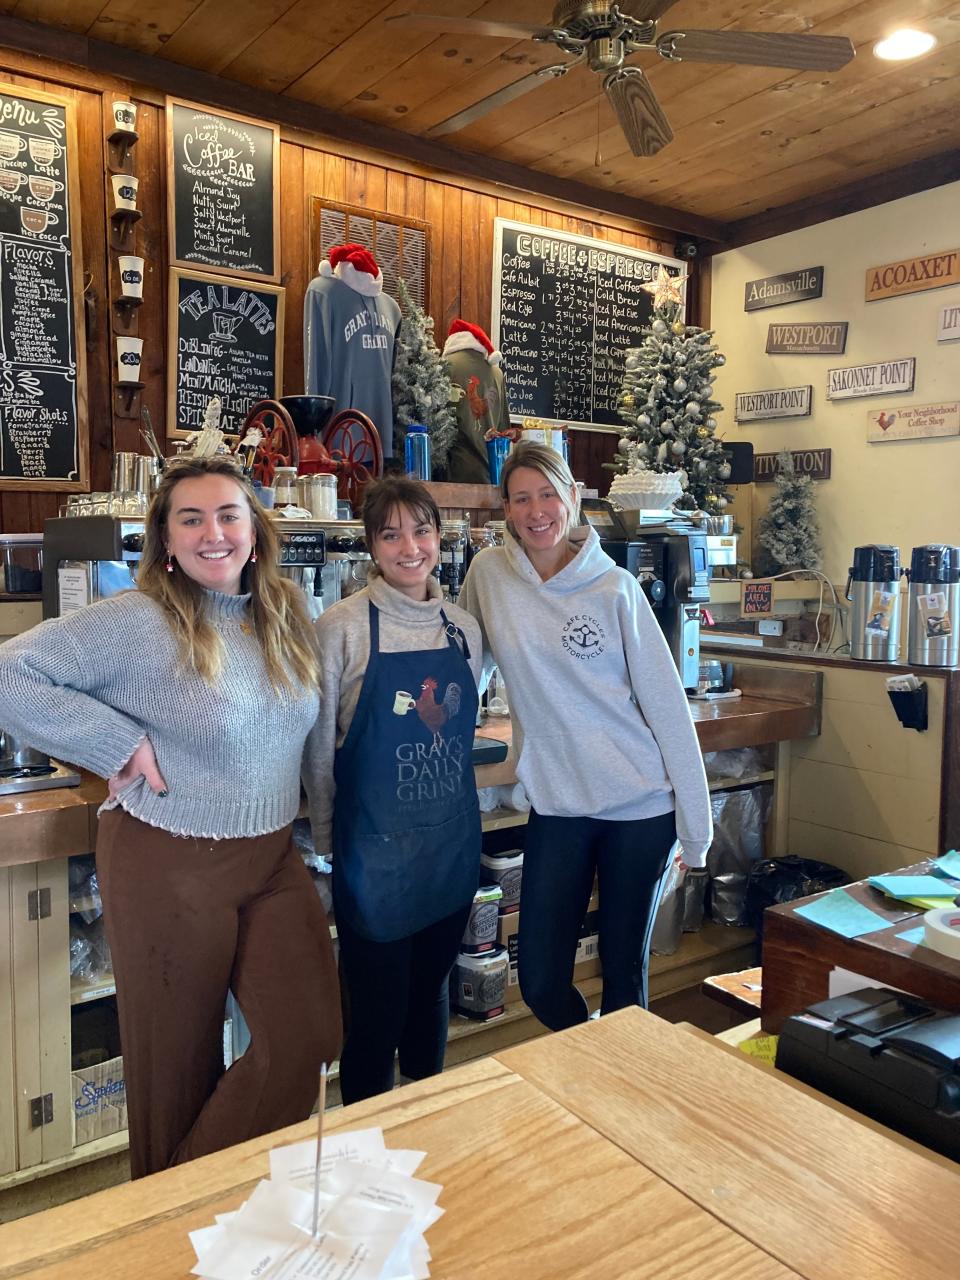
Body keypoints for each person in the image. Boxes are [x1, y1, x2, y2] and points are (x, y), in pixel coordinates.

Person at [0, 456, 341, 1178]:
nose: (212, 533)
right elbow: (12, 672)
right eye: (191, 519)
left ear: (255, 530)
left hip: (273, 857)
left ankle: (183, 1196)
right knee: (172, 1077)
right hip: (167, 862)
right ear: (166, 537)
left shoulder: (284, 613)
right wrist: (114, 743)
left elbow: (311, 735)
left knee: (308, 1036)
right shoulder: (138, 618)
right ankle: (174, 1226)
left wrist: (327, 832)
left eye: (228, 515)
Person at [459, 442, 712, 1030]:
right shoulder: (489, 576)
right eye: (521, 498)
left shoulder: (614, 588)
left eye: (548, 494)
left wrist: (695, 833)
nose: (536, 510)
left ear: (573, 498)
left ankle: (624, 1101)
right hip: (559, 805)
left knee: (624, 978)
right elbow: (470, 667)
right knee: (543, 982)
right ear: (506, 509)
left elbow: (668, 710)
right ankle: (593, 1054)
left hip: (640, 807)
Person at [304, 475, 482, 1103]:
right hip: (373, 857)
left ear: (439, 537)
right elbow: (319, 750)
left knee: (429, 999)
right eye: (391, 534)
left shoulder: (464, 629)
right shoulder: (341, 630)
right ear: (372, 547)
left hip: (448, 850)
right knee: (375, 1020)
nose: (410, 547)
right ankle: (366, 1158)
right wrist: (326, 842)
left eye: (422, 530)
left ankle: (424, 1131)